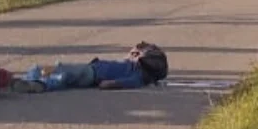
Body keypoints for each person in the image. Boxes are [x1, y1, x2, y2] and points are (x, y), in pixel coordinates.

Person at [10, 42, 169, 93]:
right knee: (50, 69)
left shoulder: (137, 77)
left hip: (92, 73)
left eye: (138, 54)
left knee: (62, 75)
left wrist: (108, 83)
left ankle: (38, 84)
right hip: (90, 70)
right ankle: (26, 80)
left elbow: (111, 84)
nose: (133, 54)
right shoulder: (133, 69)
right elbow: (129, 57)